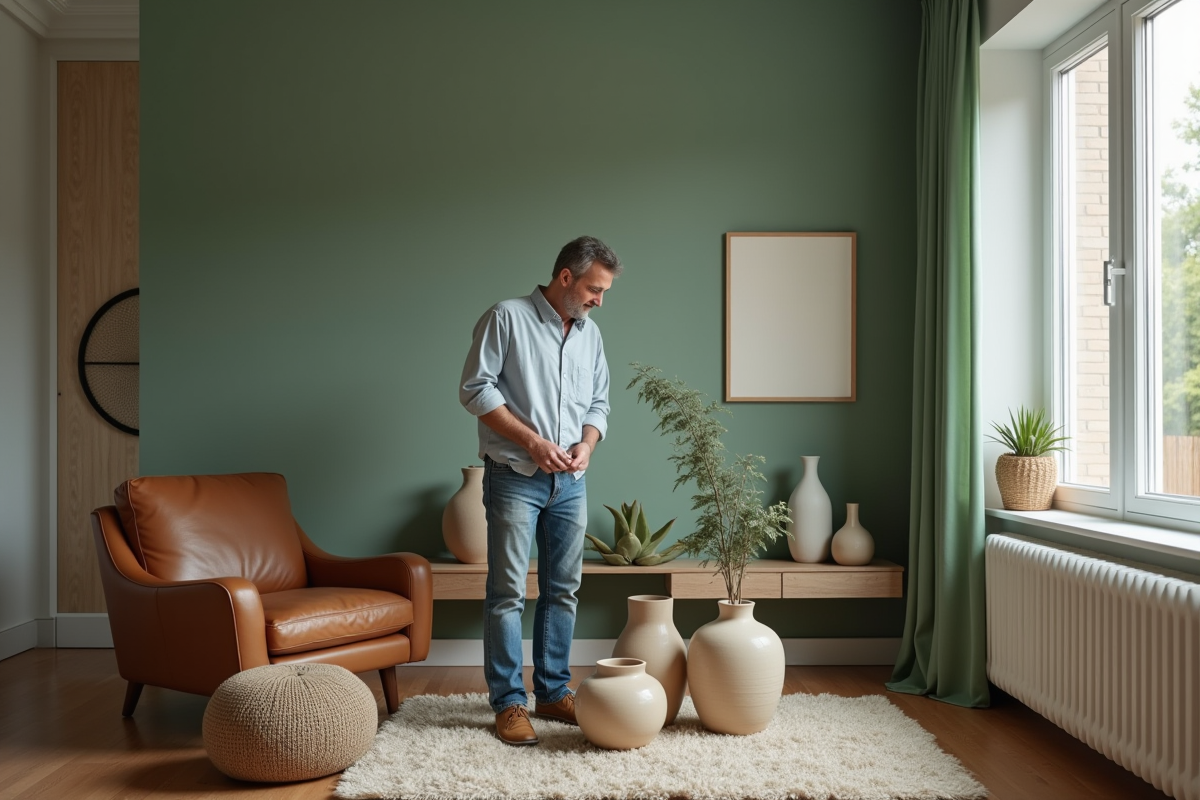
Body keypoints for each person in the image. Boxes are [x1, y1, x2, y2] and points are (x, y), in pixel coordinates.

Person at [458, 235, 621, 746]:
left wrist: (588, 446)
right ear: (566, 278)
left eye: (604, 291)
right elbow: (475, 389)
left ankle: (552, 691)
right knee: (507, 593)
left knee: (563, 591)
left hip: (571, 482)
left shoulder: (590, 335)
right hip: (514, 478)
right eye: (595, 288)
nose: (599, 300)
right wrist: (532, 440)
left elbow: (600, 402)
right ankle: (509, 703)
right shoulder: (505, 318)